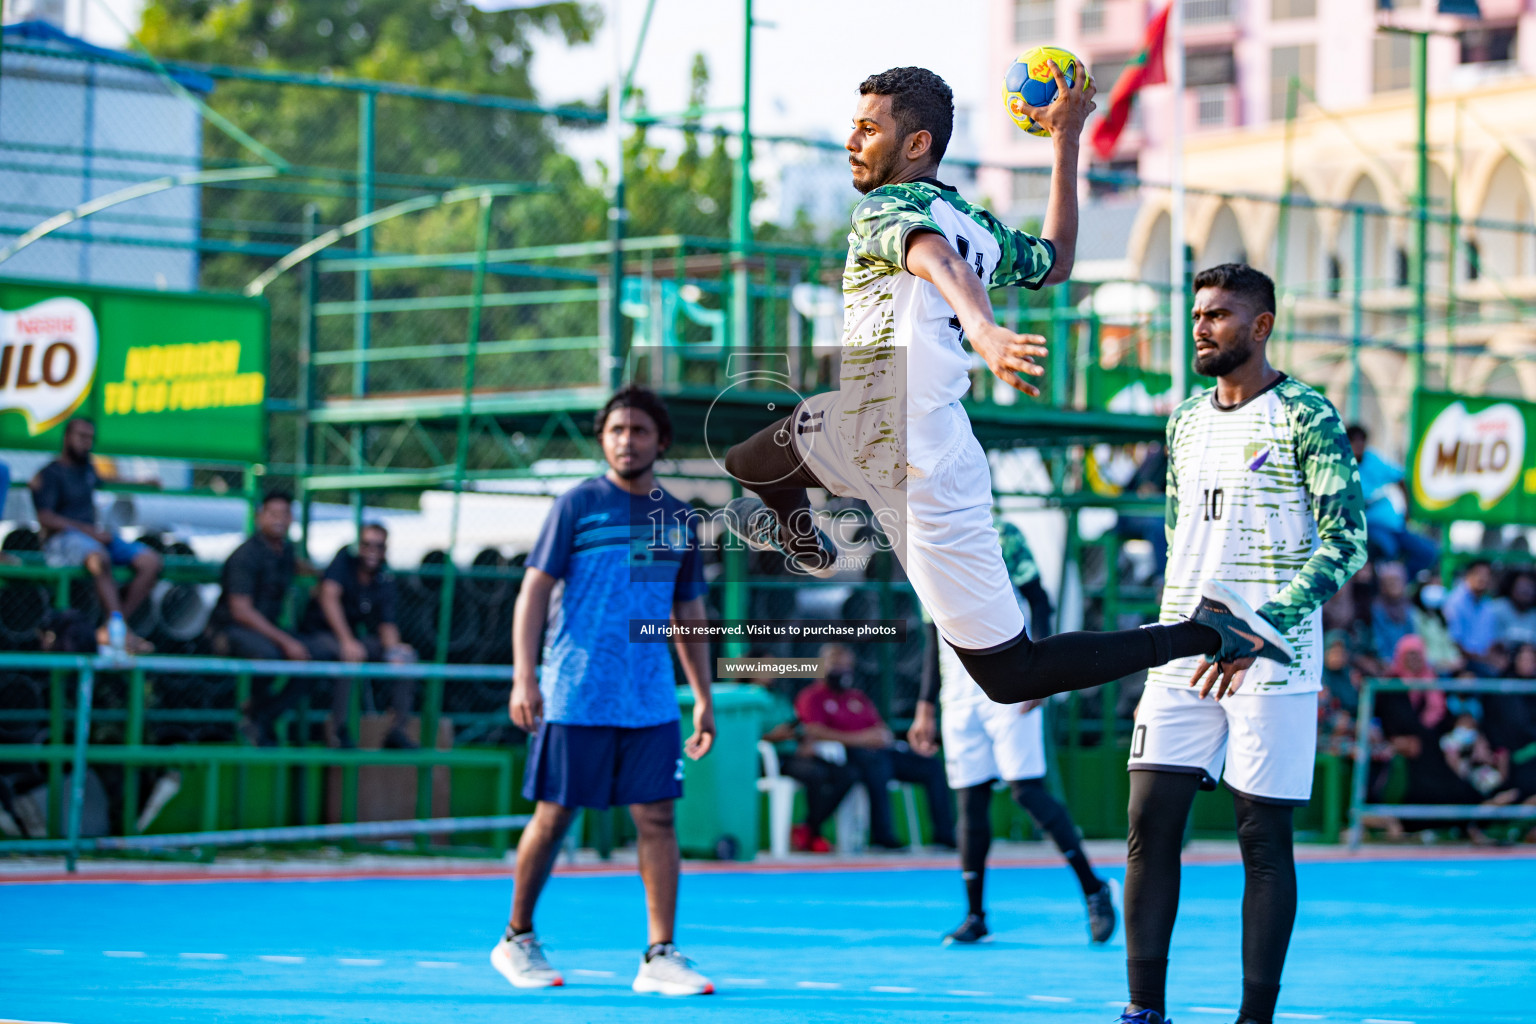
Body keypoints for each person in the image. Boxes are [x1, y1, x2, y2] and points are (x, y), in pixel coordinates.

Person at [720, 67, 1289, 720]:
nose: (853, 141)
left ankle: (804, 538)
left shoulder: (889, 208)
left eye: (869, 128)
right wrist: (1066, 136)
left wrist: (985, 331)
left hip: (888, 429)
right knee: (1014, 673)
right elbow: (1056, 259)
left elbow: (938, 260)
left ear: (916, 146)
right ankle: (1207, 631)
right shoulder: (977, 226)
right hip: (929, 444)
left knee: (749, 461)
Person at [1120, 264, 1367, 1024]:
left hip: (1272, 659)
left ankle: (1253, 1018)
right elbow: (1176, 535)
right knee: (1148, 825)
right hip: (1185, 651)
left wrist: (1259, 629)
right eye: (1198, 314)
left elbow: (1346, 543)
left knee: (1262, 841)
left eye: (1220, 315)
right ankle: (1143, 1010)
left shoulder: (1307, 415)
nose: (1202, 326)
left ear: (1261, 327)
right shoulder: (1184, 420)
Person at [496, 385, 716, 996]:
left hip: (648, 699)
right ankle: (517, 937)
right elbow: (533, 593)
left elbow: (686, 612)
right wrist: (525, 676)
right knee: (554, 815)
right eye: (616, 430)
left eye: (639, 430)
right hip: (575, 691)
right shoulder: (577, 506)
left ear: (660, 442)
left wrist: (702, 695)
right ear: (603, 440)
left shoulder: (674, 520)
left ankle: (660, 954)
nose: (626, 440)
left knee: (657, 819)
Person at [908, 514, 1116, 947]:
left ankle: (1095, 890)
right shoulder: (920, 539)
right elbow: (933, 632)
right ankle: (975, 914)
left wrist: (1038, 671)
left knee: (1027, 791)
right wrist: (926, 706)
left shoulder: (999, 533)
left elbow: (1039, 600)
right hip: (958, 694)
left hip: (1011, 684)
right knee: (971, 802)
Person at [794, 643, 956, 850]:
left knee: (931, 766)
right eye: (835, 664)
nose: (842, 670)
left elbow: (881, 730)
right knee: (877, 766)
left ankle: (944, 836)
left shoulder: (857, 697)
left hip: (879, 752)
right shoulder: (812, 696)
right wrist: (860, 739)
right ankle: (882, 837)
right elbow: (814, 731)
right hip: (847, 756)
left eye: (846, 665)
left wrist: (877, 737)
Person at [29, 418, 160, 652]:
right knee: (99, 559)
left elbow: (107, 480)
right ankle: (119, 630)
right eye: (81, 437)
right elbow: (46, 518)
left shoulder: (87, 468)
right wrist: (89, 531)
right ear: (67, 437)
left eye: (90, 438)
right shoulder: (49, 473)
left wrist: (142, 482)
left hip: (93, 538)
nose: (86, 443)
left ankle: (116, 626)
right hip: (63, 540)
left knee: (151, 562)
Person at [208, 492, 328, 747]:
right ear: (259, 516)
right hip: (230, 629)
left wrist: (321, 577)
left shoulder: (284, 551)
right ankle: (254, 715)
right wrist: (286, 642)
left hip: (265, 630)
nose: (279, 520)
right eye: (272, 514)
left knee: (319, 655)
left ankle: (262, 715)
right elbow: (241, 611)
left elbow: (294, 565)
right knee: (271, 655)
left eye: (284, 514)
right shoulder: (246, 555)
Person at [297, 522, 418, 749]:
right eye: (367, 544)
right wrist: (346, 640)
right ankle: (337, 731)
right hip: (319, 634)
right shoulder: (344, 561)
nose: (373, 551)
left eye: (379, 546)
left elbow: (387, 624)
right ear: (359, 546)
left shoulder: (384, 577)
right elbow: (329, 597)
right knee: (350, 655)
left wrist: (395, 651)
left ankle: (397, 731)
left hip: (352, 639)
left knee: (406, 657)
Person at [756, 677, 856, 853]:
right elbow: (744, 736)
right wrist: (772, 737)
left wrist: (804, 740)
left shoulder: (779, 697)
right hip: (771, 759)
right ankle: (814, 834)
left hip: (796, 754)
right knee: (816, 775)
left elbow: (797, 725)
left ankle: (807, 829)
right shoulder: (747, 700)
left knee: (846, 774)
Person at [1346, 424, 1438, 578]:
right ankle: (1385, 586)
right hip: (1368, 528)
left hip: (1394, 525)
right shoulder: (1339, 465)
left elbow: (1401, 478)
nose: (1358, 445)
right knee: (1387, 549)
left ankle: (1399, 584)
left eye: (1361, 440)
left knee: (1428, 552)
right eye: (1353, 440)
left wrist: (1407, 510)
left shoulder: (1372, 459)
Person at [1442, 560, 1501, 675]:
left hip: (1482, 660)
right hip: (1460, 662)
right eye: (1478, 573)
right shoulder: (1454, 601)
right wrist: (1481, 659)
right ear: (1468, 575)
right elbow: (1454, 641)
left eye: (1486, 575)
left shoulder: (1488, 604)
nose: (1482, 578)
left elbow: (1490, 640)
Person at [1490, 571, 1536, 649]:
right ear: (1511, 587)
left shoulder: (1533, 614)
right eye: (1521, 586)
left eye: (1530, 587)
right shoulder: (1495, 609)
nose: (1526, 591)